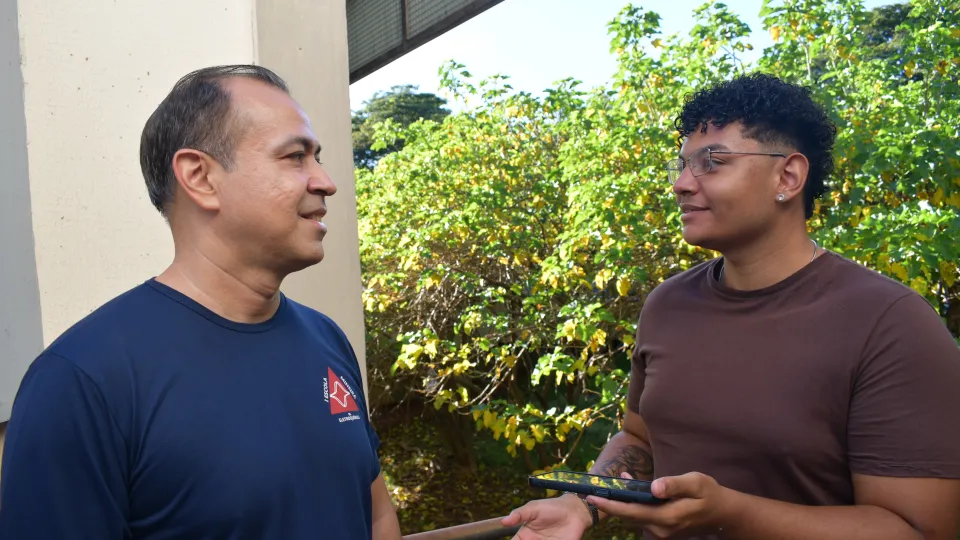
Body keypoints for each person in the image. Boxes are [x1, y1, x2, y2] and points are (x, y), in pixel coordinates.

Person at [502, 73, 960, 539]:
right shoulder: (667, 304)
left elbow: (919, 531)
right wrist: (584, 503)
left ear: (788, 176)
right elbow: (639, 438)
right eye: (681, 165)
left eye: (712, 163)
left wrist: (732, 512)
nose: (682, 184)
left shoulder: (890, 323)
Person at [0, 65, 402, 540]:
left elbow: (375, 515)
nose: (325, 181)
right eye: (295, 157)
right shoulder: (80, 382)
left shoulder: (326, 339)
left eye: (317, 158)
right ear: (200, 177)